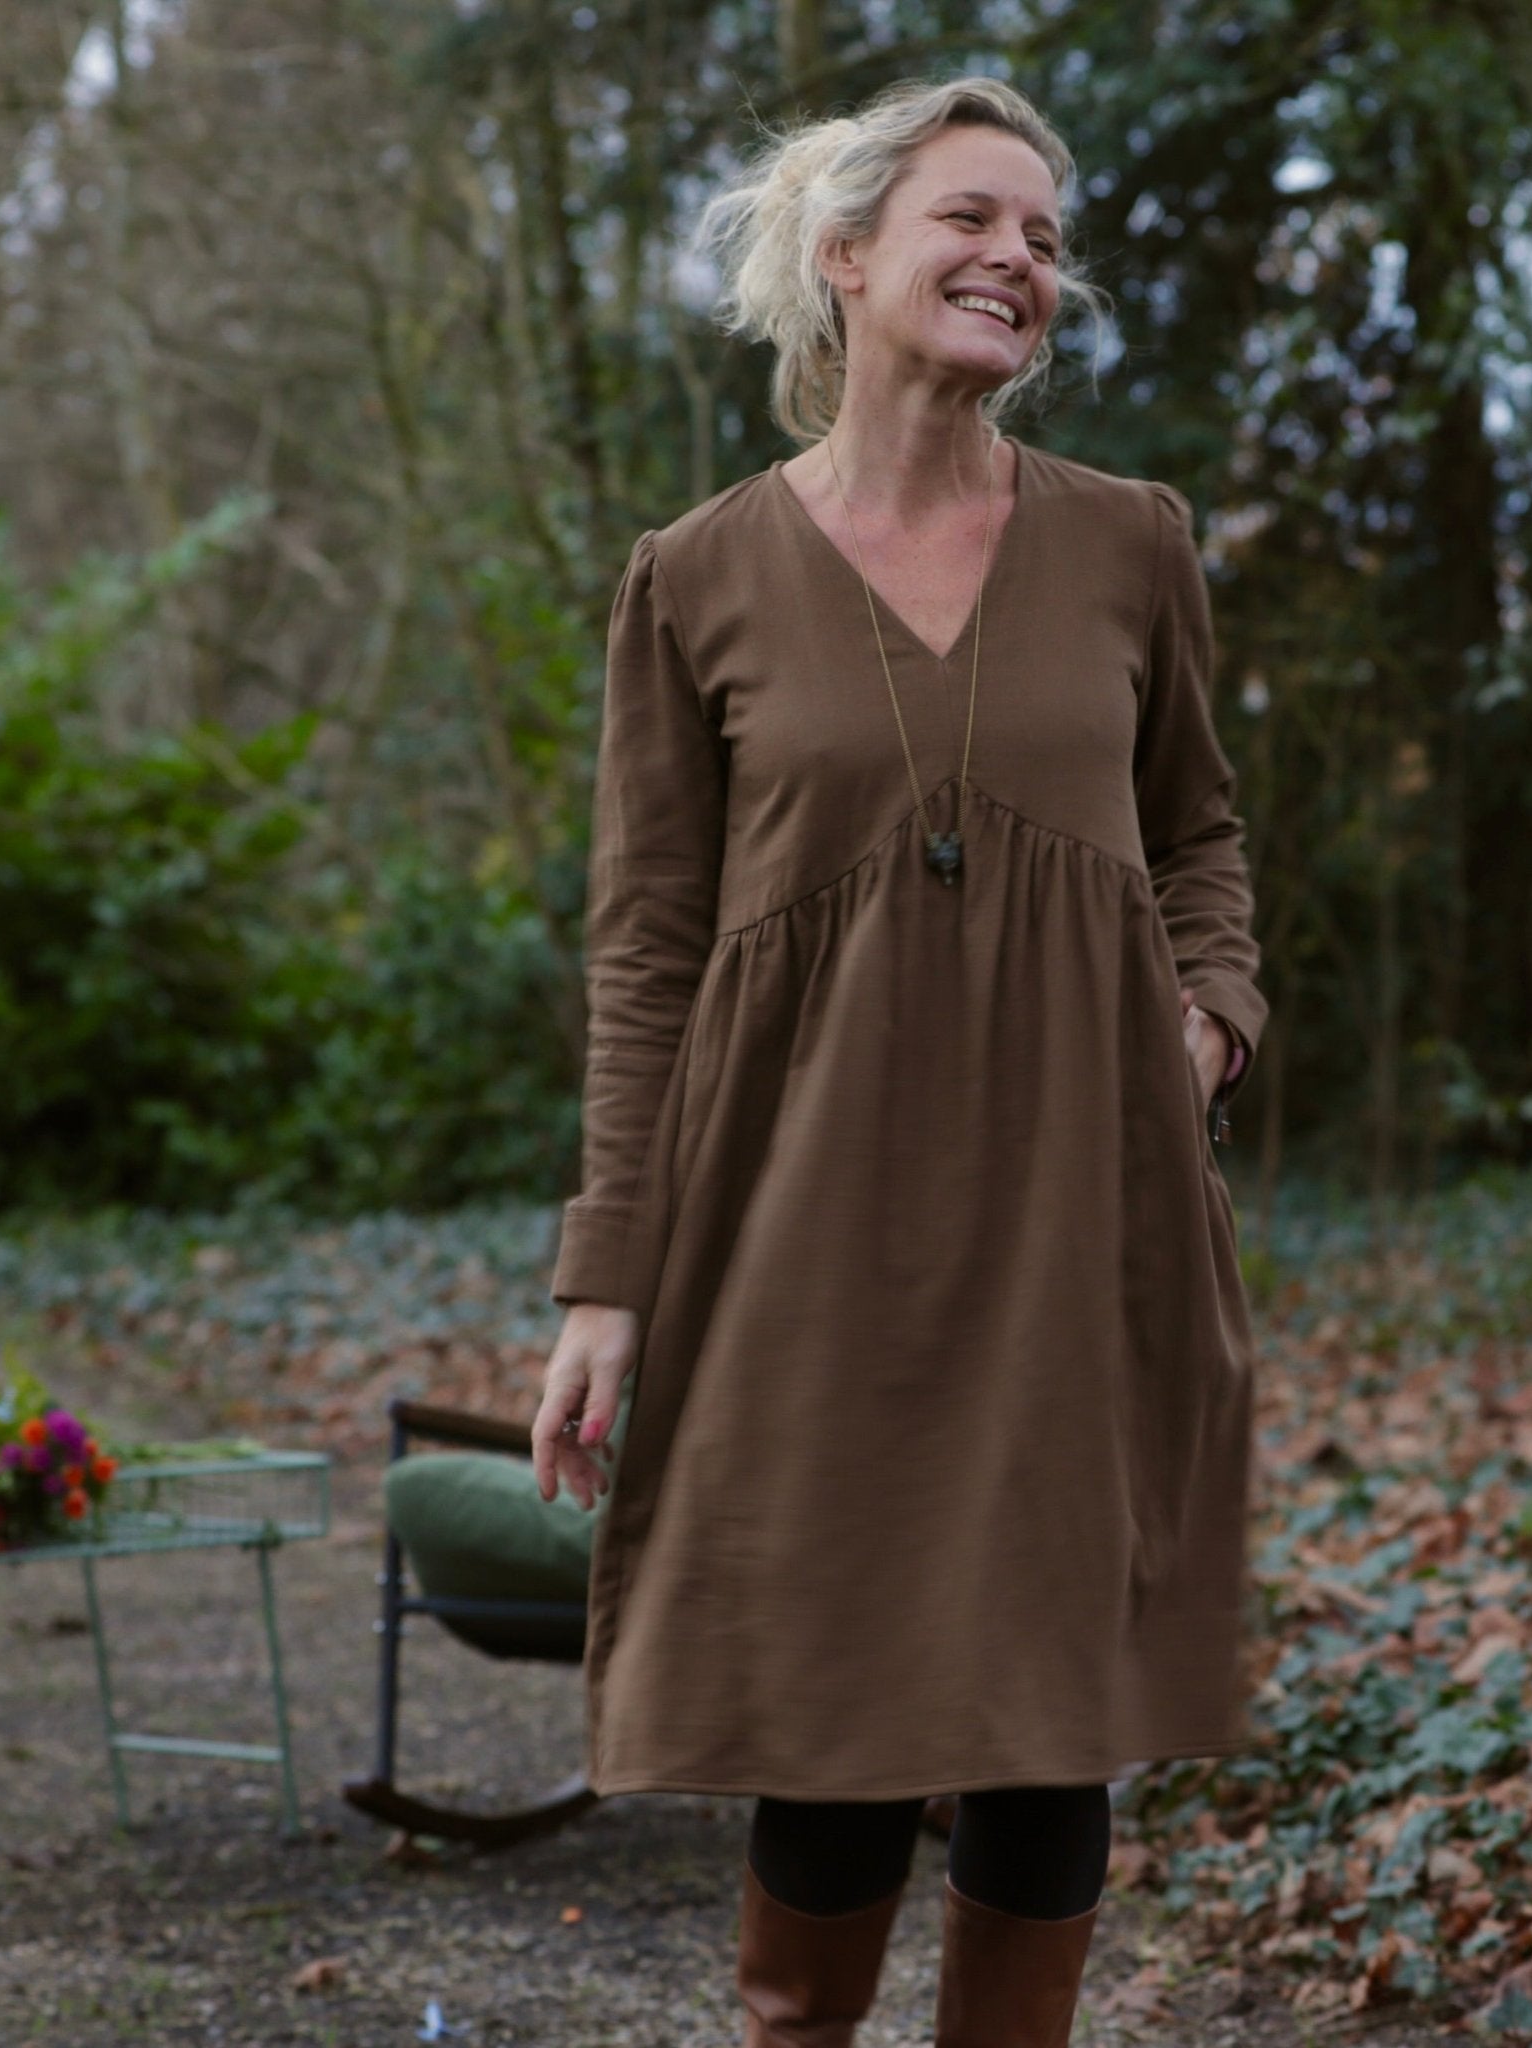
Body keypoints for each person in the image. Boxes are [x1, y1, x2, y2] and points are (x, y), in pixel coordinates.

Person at [530, 73, 1265, 2048]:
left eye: (1044, 237)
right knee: (832, 1697)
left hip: (1082, 1212)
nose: (1021, 257)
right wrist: (606, 1280)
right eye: (973, 218)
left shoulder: (1131, 545)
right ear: (845, 256)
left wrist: (1210, 1011)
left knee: (1052, 1715)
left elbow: (1199, 831)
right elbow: (646, 951)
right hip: (801, 1226)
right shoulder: (693, 577)